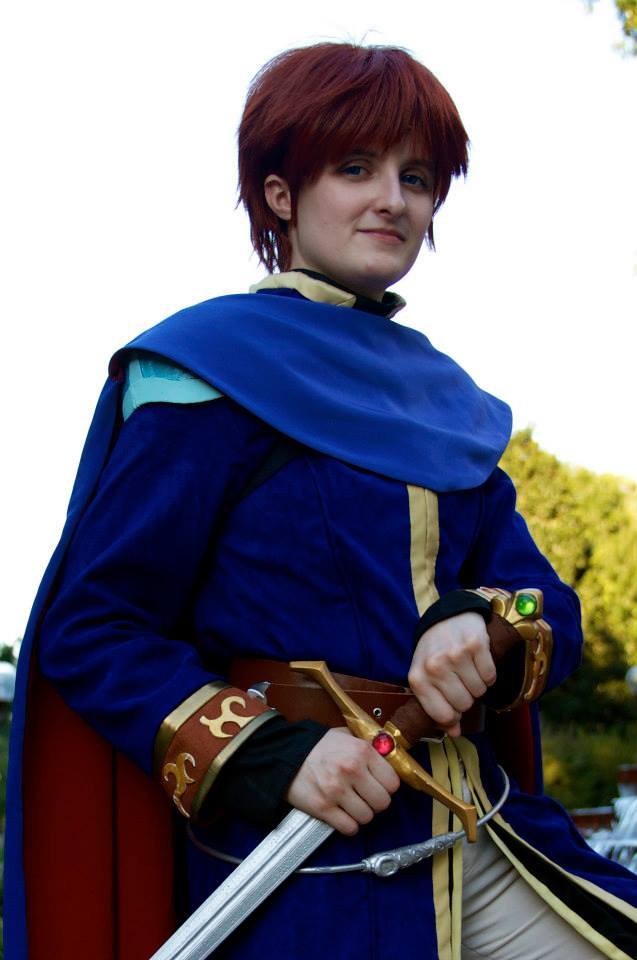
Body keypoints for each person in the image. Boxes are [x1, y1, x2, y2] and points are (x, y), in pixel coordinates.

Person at [5, 42, 637, 960]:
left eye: (414, 177)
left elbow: (549, 608)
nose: (392, 199)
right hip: (308, 870)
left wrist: (481, 621)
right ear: (279, 194)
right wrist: (272, 754)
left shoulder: (445, 403)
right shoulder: (206, 375)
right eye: (354, 168)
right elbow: (94, 626)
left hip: (484, 831)